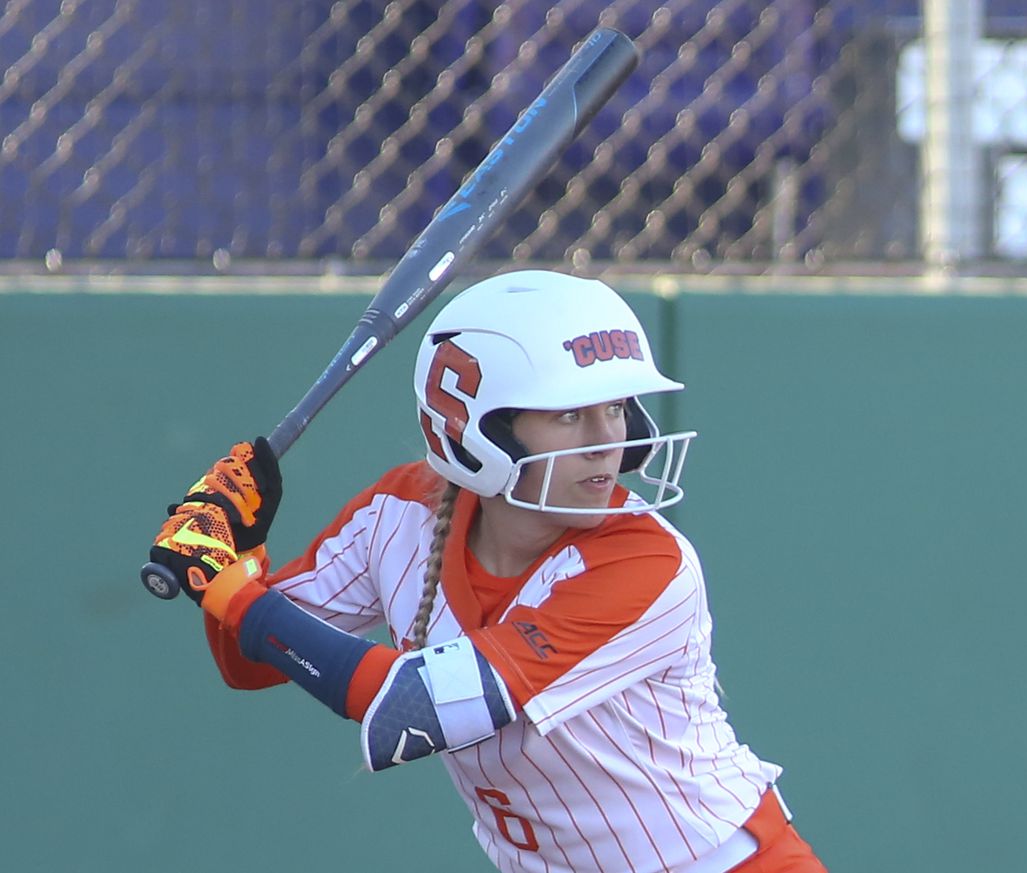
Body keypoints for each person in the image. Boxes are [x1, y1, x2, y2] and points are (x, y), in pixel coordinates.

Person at [148, 270, 827, 872]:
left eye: (616, 407)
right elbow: (253, 661)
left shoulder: (647, 563)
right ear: (480, 430)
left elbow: (415, 709)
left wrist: (230, 587)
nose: (606, 439)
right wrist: (237, 555)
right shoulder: (401, 511)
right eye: (568, 414)